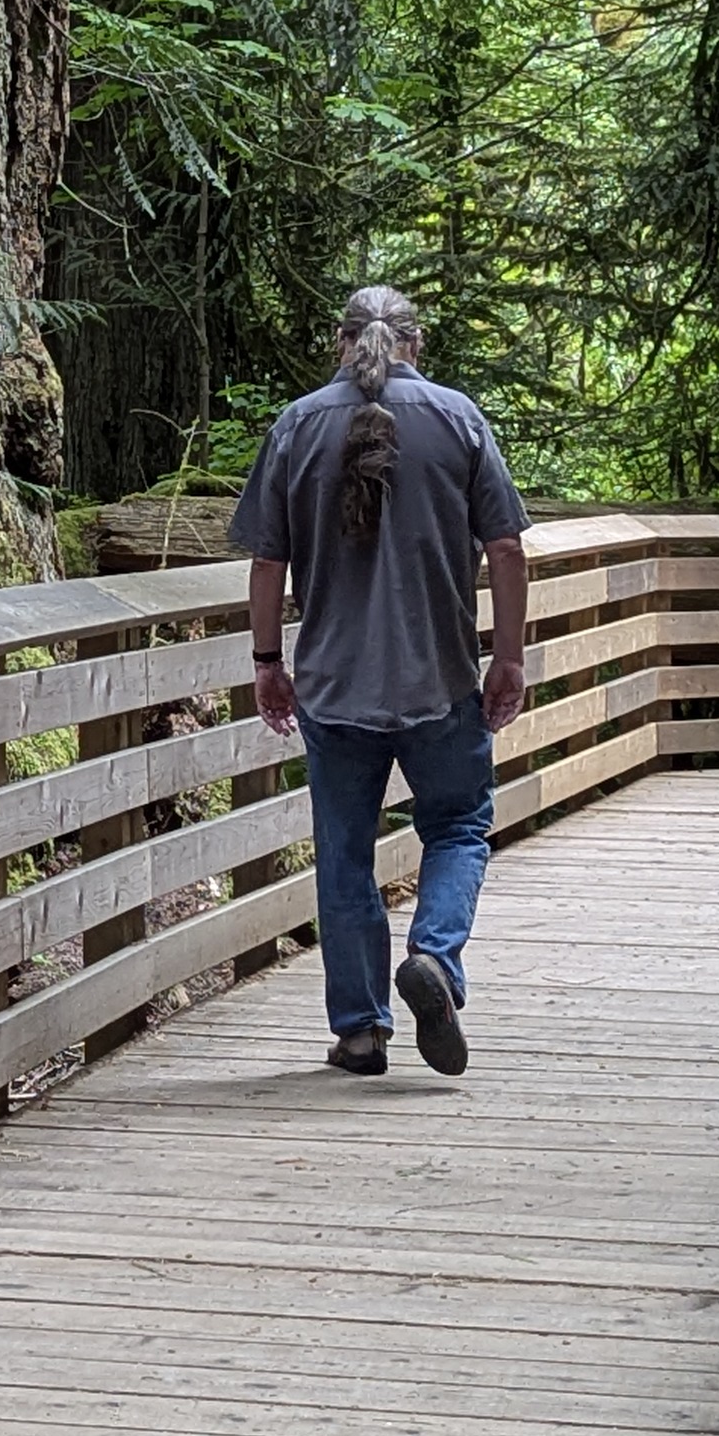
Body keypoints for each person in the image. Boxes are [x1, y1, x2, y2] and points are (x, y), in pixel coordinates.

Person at [229, 284, 528, 1078]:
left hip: (334, 685)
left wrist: (267, 662)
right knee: (458, 827)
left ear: (341, 341)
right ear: (414, 344)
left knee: (346, 855)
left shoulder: (297, 425)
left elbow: (267, 560)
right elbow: (506, 549)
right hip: (442, 678)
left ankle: (361, 1033)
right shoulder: (458, 418)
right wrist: (507, 657)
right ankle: (434, 956)